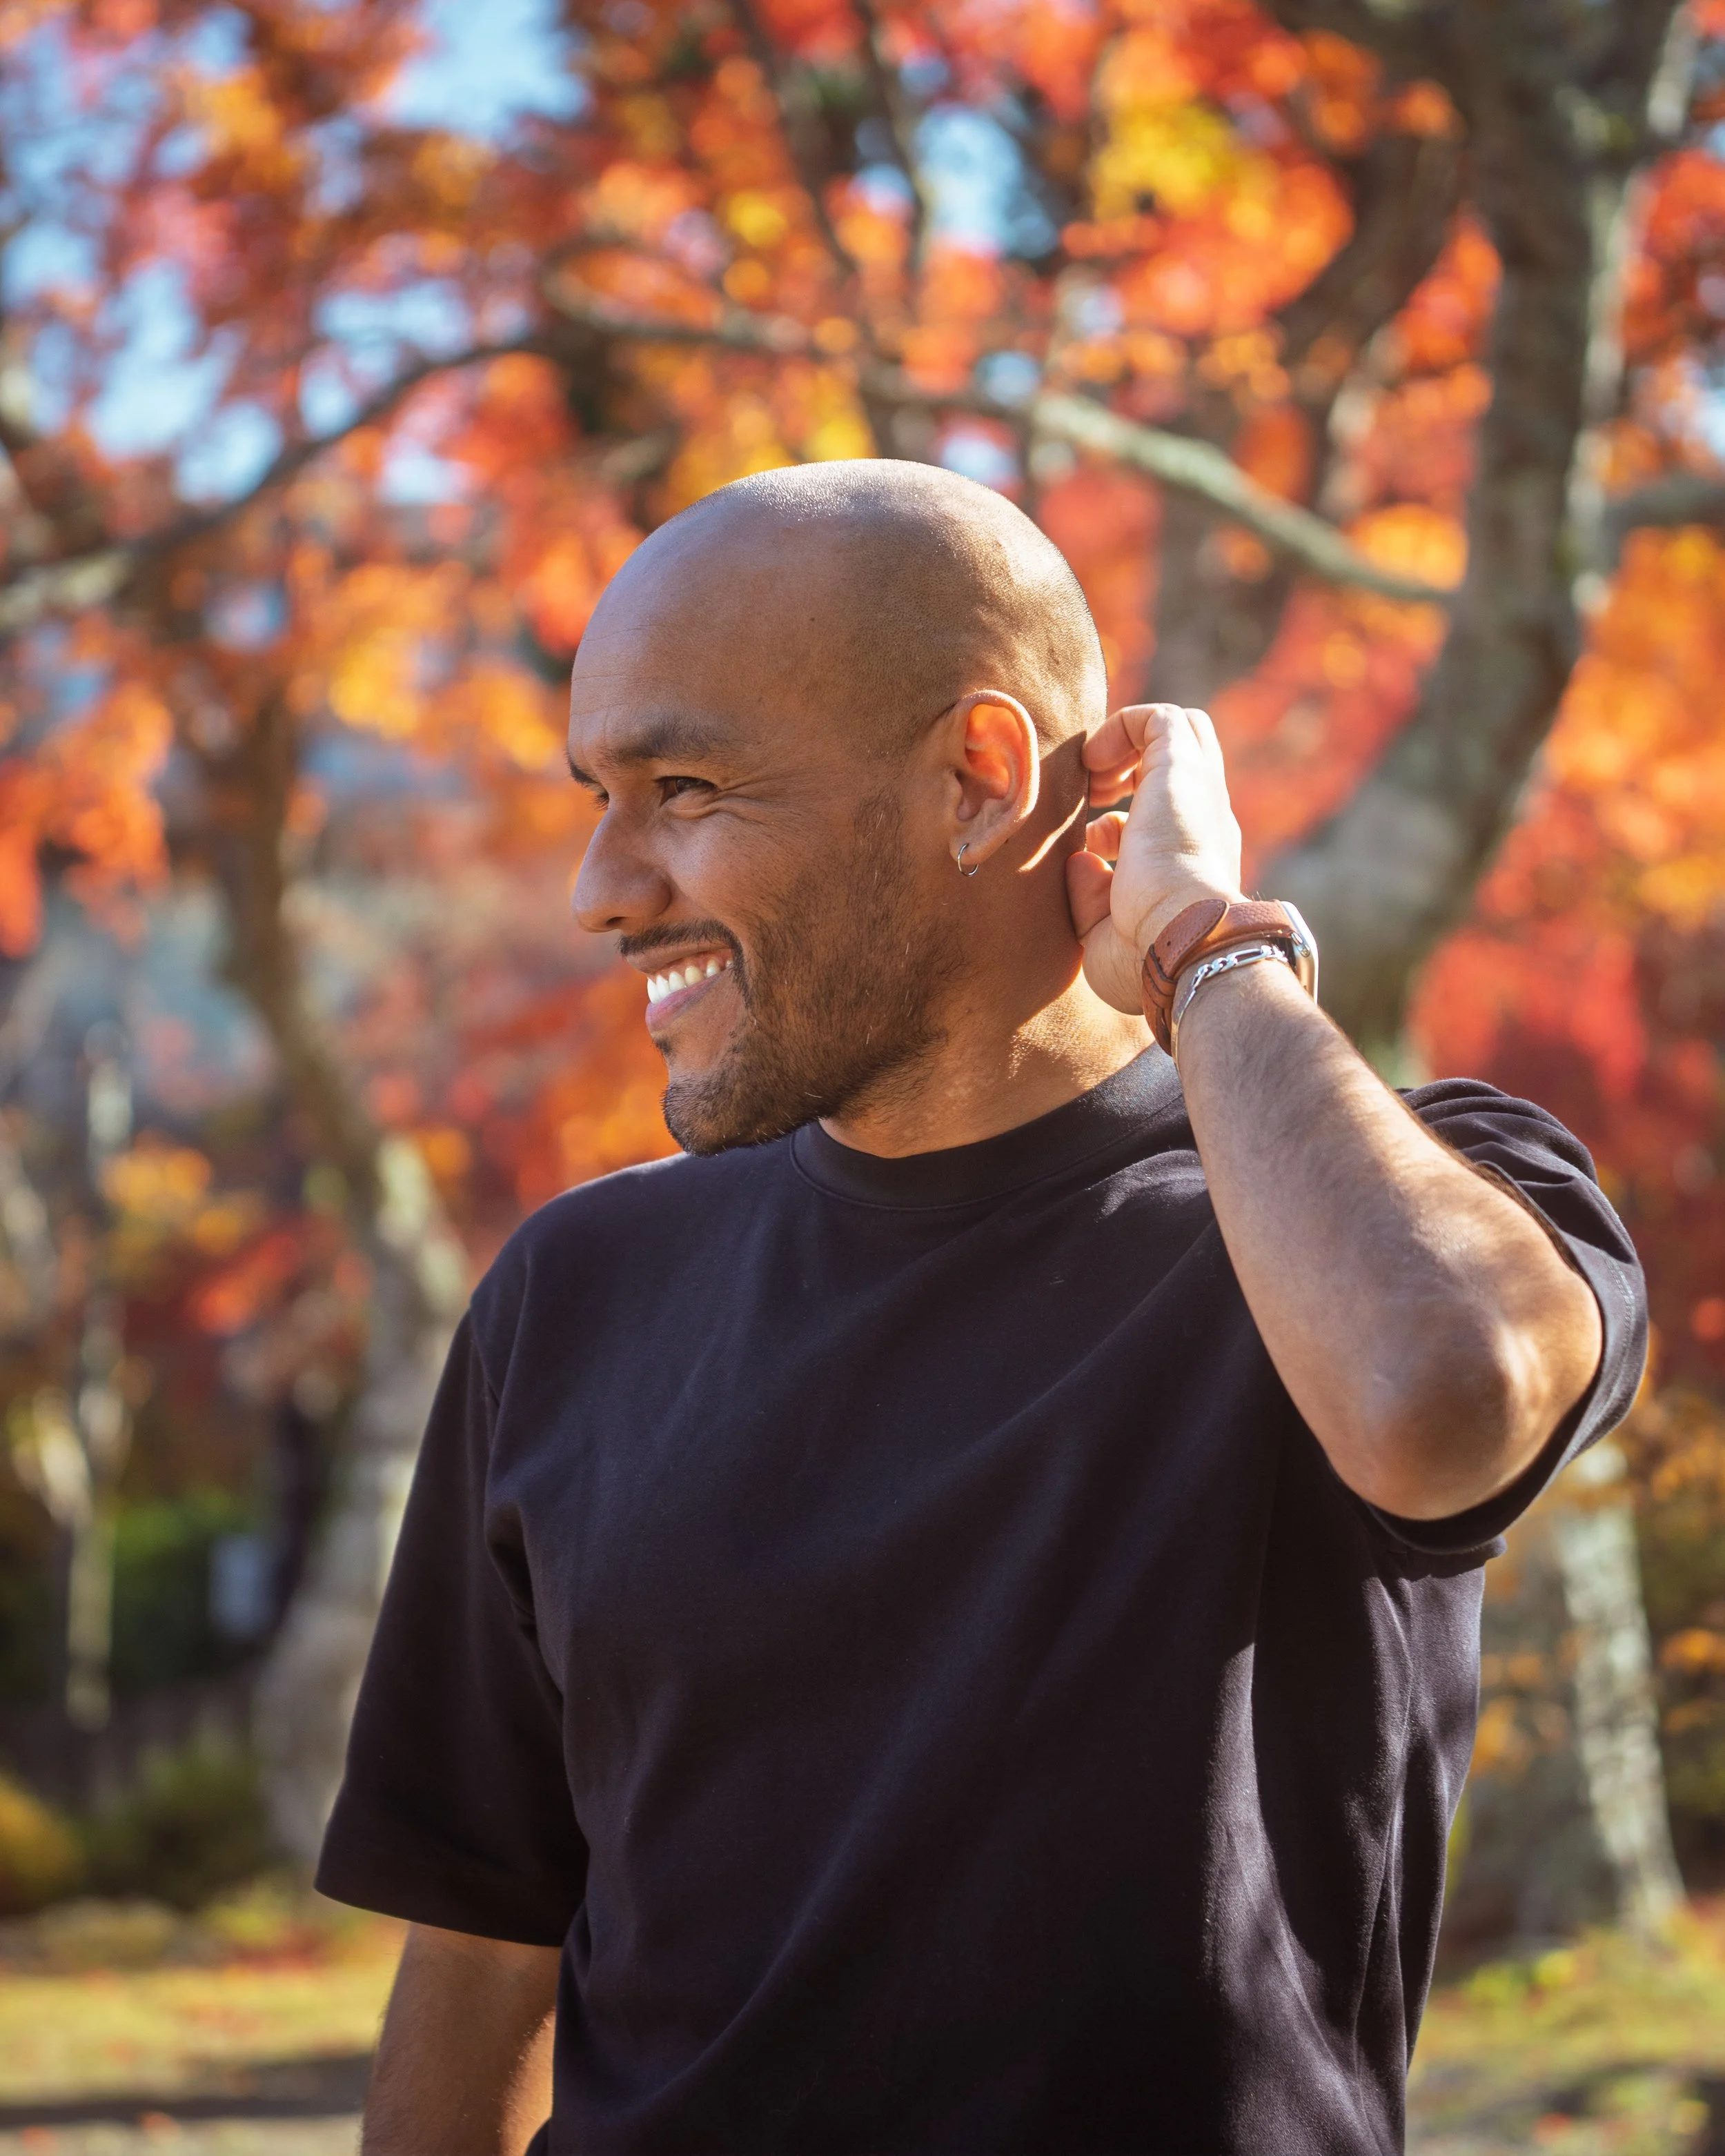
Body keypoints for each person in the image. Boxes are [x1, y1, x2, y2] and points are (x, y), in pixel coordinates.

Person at [317, 462, 1642, 2156]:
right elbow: (479, 1963)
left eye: (683, 785)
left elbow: (1432, 1396)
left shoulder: (1391, 1207)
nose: (601, 884)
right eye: (597, 791)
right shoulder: (571, 1295)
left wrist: (1200, 948)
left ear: (976, 774)